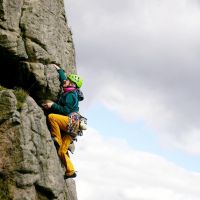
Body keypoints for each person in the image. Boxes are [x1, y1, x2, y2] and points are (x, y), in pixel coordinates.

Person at [43, 64, 83, 179]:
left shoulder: (71, 95)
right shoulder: (70, 90)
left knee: (52, 117)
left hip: (71, 123)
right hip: (73, 128)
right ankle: (70, 171)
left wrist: (52, 105)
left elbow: (66, 111)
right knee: (62, 151)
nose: (65, 81)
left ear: (73, 84)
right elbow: (63, 79)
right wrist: (59, 69)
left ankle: (56, 138)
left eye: (68, 80)